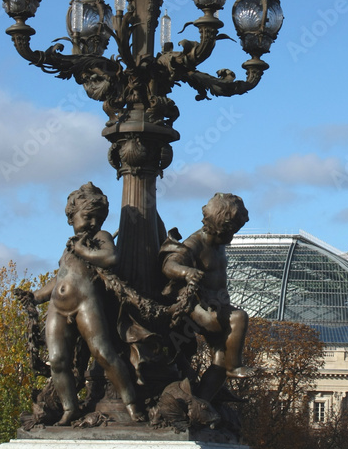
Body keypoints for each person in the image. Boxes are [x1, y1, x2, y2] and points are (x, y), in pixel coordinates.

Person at [28, 182, 143, 425]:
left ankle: (132, 404)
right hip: (57, 308)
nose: (94, 223)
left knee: (103, 353)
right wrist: (36, 296)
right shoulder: (69, 246)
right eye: (88, 217)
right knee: (58, 361)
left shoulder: (99, 238)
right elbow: (60, 276)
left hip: (85, 303)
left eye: (99, 219)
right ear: (71, 217)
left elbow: (110, 257)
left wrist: (83, 249)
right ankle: (70, 408)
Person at [161, 192, 253, 400]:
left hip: (217, 305)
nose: (233, 236)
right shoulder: (195, 243)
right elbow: (169, 265)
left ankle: (202, 403)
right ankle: (235, 366)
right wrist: (187, 272)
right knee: (239, 318)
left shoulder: (219, 245)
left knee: (220, 358)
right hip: (199, 308)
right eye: (232, 231)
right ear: (221, 227)